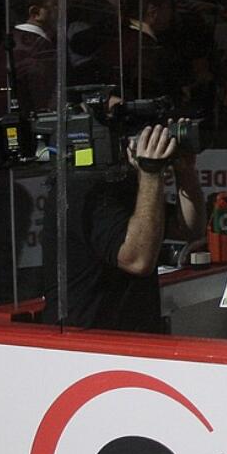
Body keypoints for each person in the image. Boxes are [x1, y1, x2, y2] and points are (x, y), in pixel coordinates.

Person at [42, 121, 205, 332]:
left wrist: (186, 171)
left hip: (134, 335)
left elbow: (189, 230)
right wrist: (150, 172)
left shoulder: (127, 184)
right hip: (87, 342)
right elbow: (138, 260)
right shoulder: (79, 191)